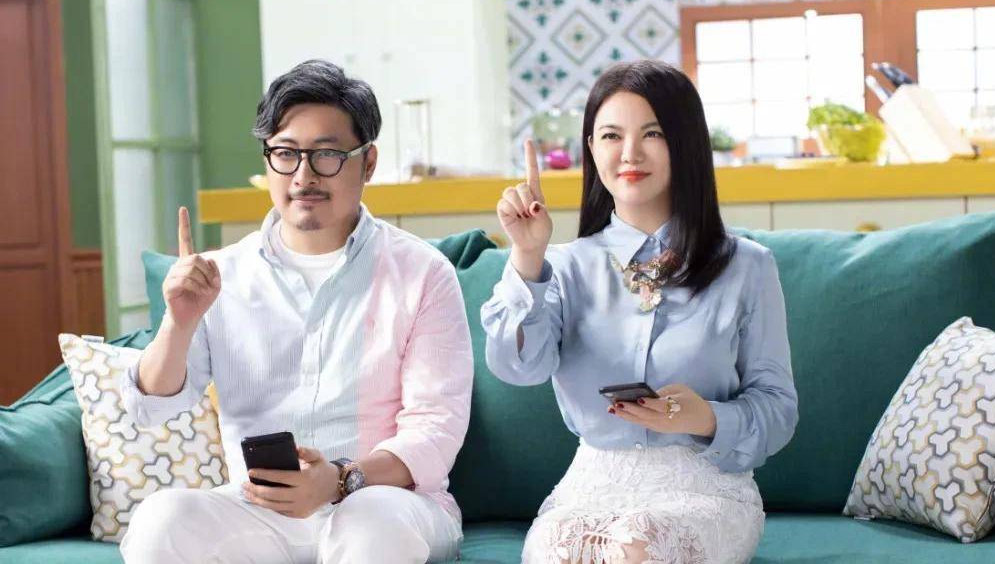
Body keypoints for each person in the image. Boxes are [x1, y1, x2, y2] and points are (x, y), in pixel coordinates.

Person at [119, 60, 473, 563]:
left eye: (327, 154)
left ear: (368, 163)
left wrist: (340, 479)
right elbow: (148, 409)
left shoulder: (423, 273)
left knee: (369, 523)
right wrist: (179, 323)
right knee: (161, 520)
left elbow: (435, 432)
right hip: (261, 512)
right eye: (286, 153)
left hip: (389, 504)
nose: (304, 176)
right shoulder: (222, 275)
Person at [481, 59, 798, 564]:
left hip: (706, 490)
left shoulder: (747, 266)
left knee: (638, 545)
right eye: (611, 136)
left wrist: (706, 417)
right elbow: (517, 367)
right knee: (561, 551)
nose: (629, 153)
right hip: (589, 490)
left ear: (685, 143)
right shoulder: (560, 266)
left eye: (653, 133)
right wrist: (526, 255)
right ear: (591, 148)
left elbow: (778, 409)